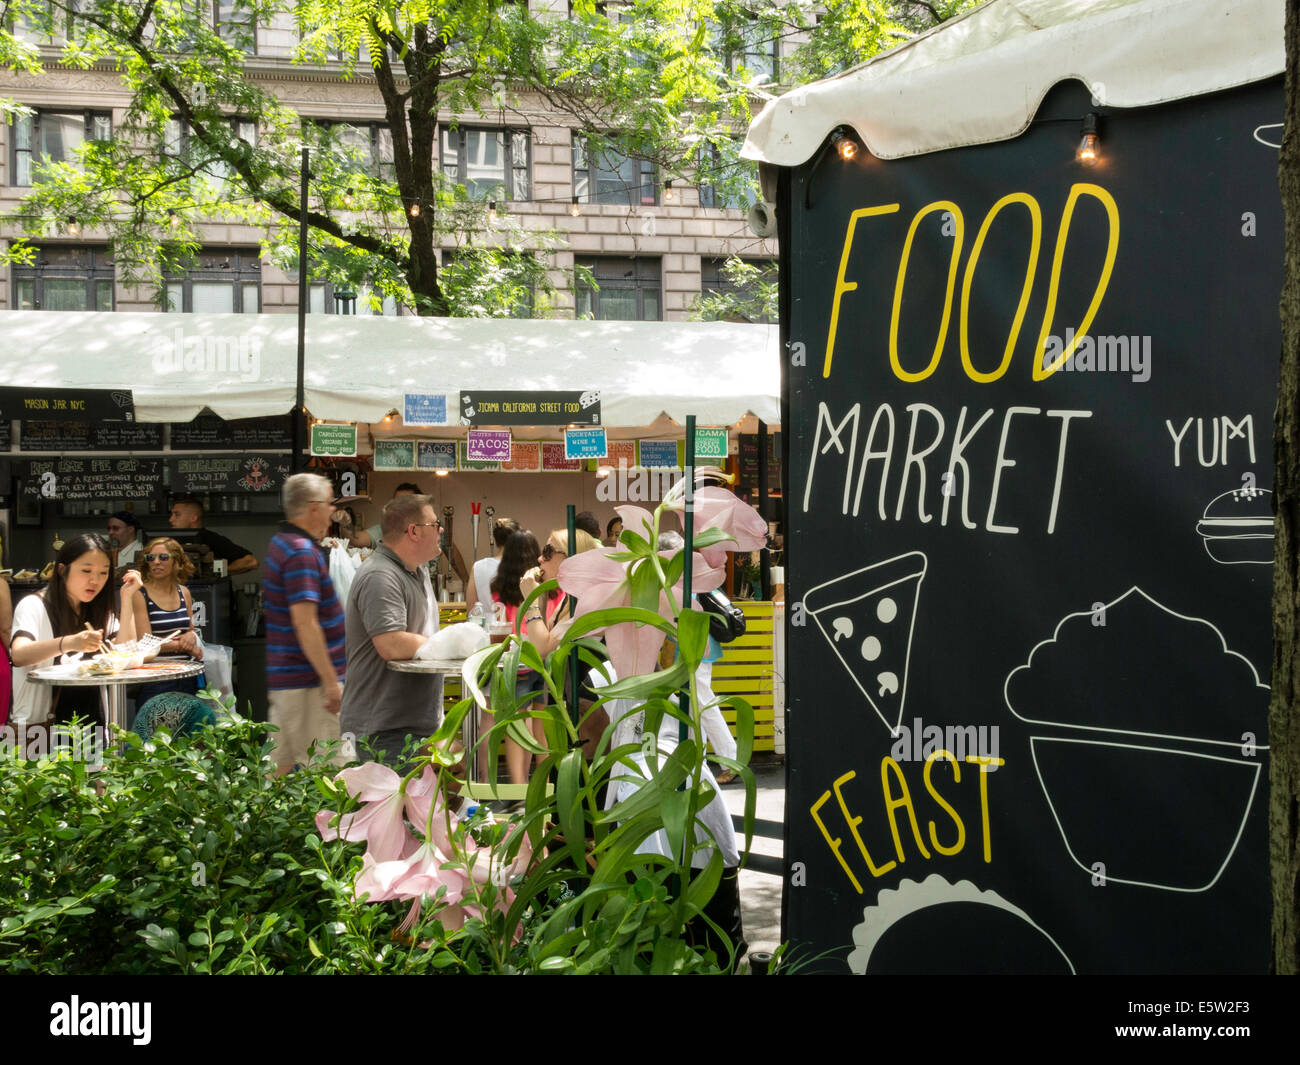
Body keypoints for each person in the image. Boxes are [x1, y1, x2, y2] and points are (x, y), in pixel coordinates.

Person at [339, 492, 444, 767]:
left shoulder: (417, 572)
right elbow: (392, 644)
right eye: (435, 524)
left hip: (412, 727)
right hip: (383, 733)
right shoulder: (380, 575)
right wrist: (448, 645)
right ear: (414, 531)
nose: (441, 530)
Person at [9, 534, 141, 731]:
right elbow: (19, 655)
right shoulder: (33, 605)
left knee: (94, 762)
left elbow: (127, 655)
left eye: (103, 573)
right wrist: (68, 643)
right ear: (62, 570)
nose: (95, 580)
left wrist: (128, 598)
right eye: (86, 570)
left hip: (90, 722)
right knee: (43, 763)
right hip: (38, 726)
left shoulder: (99, 610)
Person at [264, 473, 347, 773]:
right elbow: (306, 623)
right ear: (313, 507)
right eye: (329, 504)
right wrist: (329, 681)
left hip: (288, 679)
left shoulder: (281, 543)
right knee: (329, 772)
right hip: (308, 684)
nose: (332, 512)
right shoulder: (301, 552)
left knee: (278, 771)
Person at [488, 529, 553, 785]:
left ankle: (519, 787)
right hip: (542, 654)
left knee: (517, 723)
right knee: (542, 724)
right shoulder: (544, 586)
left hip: (514, 658)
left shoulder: (499, 586)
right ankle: (545, 783)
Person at [337, 482, 469, 591]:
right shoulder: (386, 530)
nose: (397, 507)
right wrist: (345, 524)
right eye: (395, 502)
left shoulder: (431, 528)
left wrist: (466, 580)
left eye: (403, 502)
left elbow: (453, 553)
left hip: (430, 592)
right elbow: (356, 539)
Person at [130, 536, 204, 707]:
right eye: (151, 558)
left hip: (186, 675)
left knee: (187, 731)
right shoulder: (140, 594)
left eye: (163, 557)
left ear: (176, 562)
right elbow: (145, 642)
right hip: (155, 678)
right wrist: (184, 645)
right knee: (155, 731)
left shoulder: (183, 592)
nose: (156, 562)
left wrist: (191, 636)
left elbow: (190, 629)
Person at [168, 495, 258, 575]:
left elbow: (251, 562)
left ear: (193, 518)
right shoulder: (168, 541)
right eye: (172, 514)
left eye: (177, 514)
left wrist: (214, 572)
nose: (171, 519)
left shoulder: (210, 539)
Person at [465, 516, 519, 616]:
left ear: (496, 540)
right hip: (518, 630)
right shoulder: (523, 566)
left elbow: (471, 612)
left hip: (485, 629)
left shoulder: (478, 567)